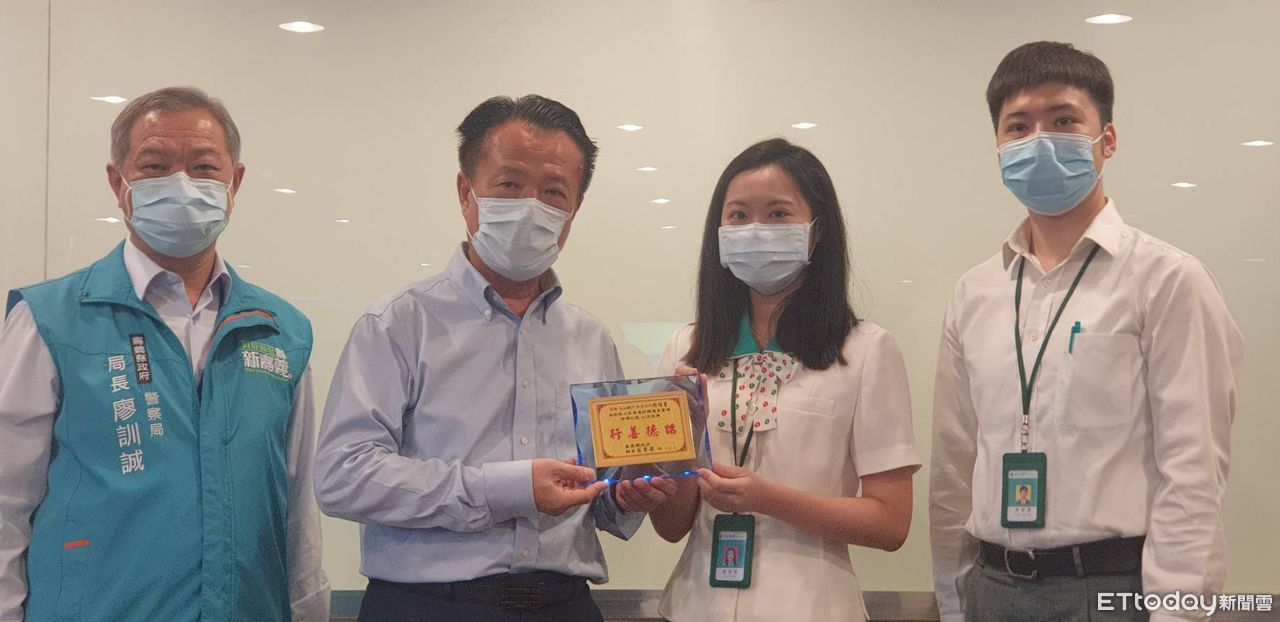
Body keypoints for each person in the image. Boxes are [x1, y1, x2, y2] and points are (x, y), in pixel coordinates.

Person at [314, 94, 674, 622]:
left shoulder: (591, 338)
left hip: (565, 606)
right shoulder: (398, 323)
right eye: (510, 184)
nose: (532, 205)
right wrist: (503, 489)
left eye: (553, 192)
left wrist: (625, 496)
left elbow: (599, 495)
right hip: (427, 607)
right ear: (467, 193)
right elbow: (343, 475)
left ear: (572, 213)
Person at [930, 41, 1243, 622]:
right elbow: (953, 466)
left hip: (1112, 589)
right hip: (991, 588)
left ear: (1108, 139)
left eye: (1064, 120)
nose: (1039, 140)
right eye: (1018, 126)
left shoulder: (1167, 280)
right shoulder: (975, 292)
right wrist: (954, 603)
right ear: (998, 147)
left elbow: (1193, 474)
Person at [0, 86, 329, 621]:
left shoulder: (279, 332)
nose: (181, 185)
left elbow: (296, 506)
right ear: (119, 183)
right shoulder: (51, 320)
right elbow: (6, 502)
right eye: (154, 167)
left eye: (204, 168)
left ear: (234, 183)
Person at [649, 138, 920, 622]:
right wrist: (675, 454)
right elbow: (671, 528)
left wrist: (768, 499)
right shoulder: (686, 350)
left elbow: (890, 522)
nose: (756, 230)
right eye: (738, 216)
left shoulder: (865, 350)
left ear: (817, 231)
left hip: (812, 607)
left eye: (778, 214)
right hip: (694, 606)